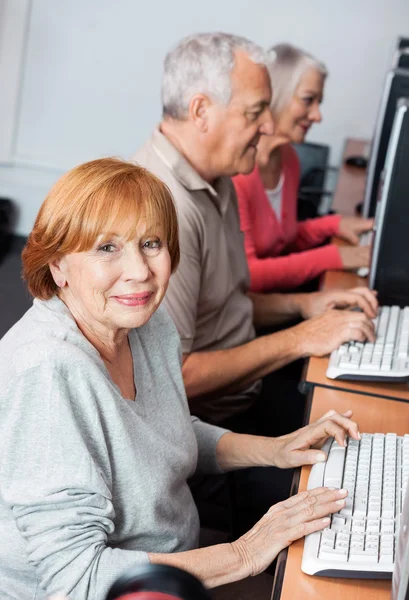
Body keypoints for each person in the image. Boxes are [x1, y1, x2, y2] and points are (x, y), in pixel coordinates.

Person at [0, 157, 357, 599]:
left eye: (151, 243)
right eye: (106, 248)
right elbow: (78, 579)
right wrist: (245, 552)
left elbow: (160, 430)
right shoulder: (48, 374)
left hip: (178, 560)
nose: (140, 271)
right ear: (58, 267)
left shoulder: (145, 323)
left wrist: (276, 448)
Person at [133, 32, 377, 433]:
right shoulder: (165, 209)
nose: (268, 125)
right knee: (364, 432)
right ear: (201, 112)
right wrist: (300, 338)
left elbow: (226, 305)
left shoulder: (220, 174)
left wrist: (304, 306)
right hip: (214, 426)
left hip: (246, 385)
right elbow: (179, 376)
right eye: (255, 111)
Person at [233, 43, 373, 292]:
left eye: (318, 102)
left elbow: (279, 240)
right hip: (251, 313)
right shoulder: (237, 173)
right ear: (275, 93)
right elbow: (250, 274)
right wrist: (335, 257)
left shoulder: (288, 158)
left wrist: (333, 225)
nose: (317, 115)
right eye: (309, 100)